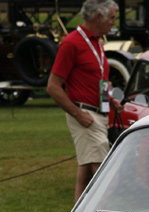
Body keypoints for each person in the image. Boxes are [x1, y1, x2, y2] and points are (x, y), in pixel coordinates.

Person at [47, 0, 118, 201]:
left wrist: (110, 99)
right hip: (86, 116)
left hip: (98, 114)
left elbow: (99, 78)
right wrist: (79, 115)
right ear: (98, 18)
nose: (113, 23)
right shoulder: (71, 43)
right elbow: (53, 86)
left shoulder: (96, 42)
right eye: (111, 18)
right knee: (105, 175)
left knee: (86, 173)